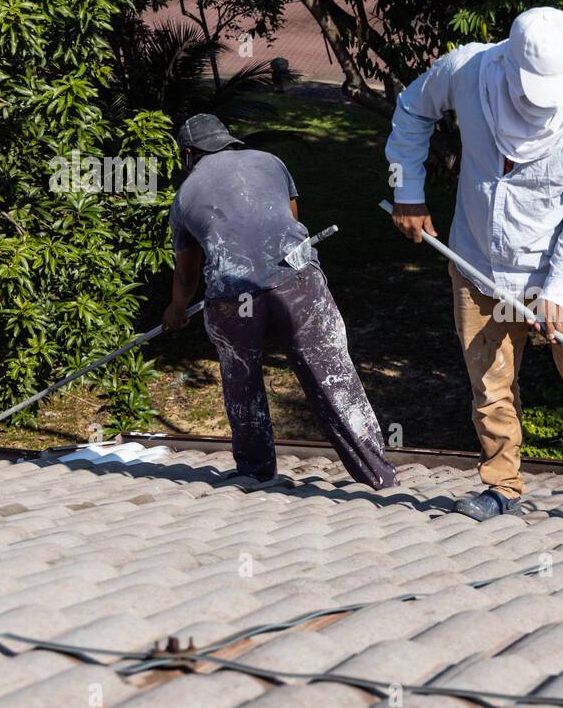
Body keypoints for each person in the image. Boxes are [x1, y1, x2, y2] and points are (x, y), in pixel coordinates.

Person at [385, 7, 563, 530]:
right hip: (477, 263)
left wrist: (554, 289)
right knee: (490, 386)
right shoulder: (467, 71)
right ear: (508, 65)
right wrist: (407, 191)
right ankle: (501, 487)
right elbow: (412, 109)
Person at [163, 113, 396, 489]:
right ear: (227, 140)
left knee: (243, 382)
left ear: (189, 153)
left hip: (231, 297)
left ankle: (255, 471)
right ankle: (377, 474)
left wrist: (176, 310)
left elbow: (187, 273)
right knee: (333, 377)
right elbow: (290, 222)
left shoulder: (185, 195)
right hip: (298, 282)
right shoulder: (271, 162)